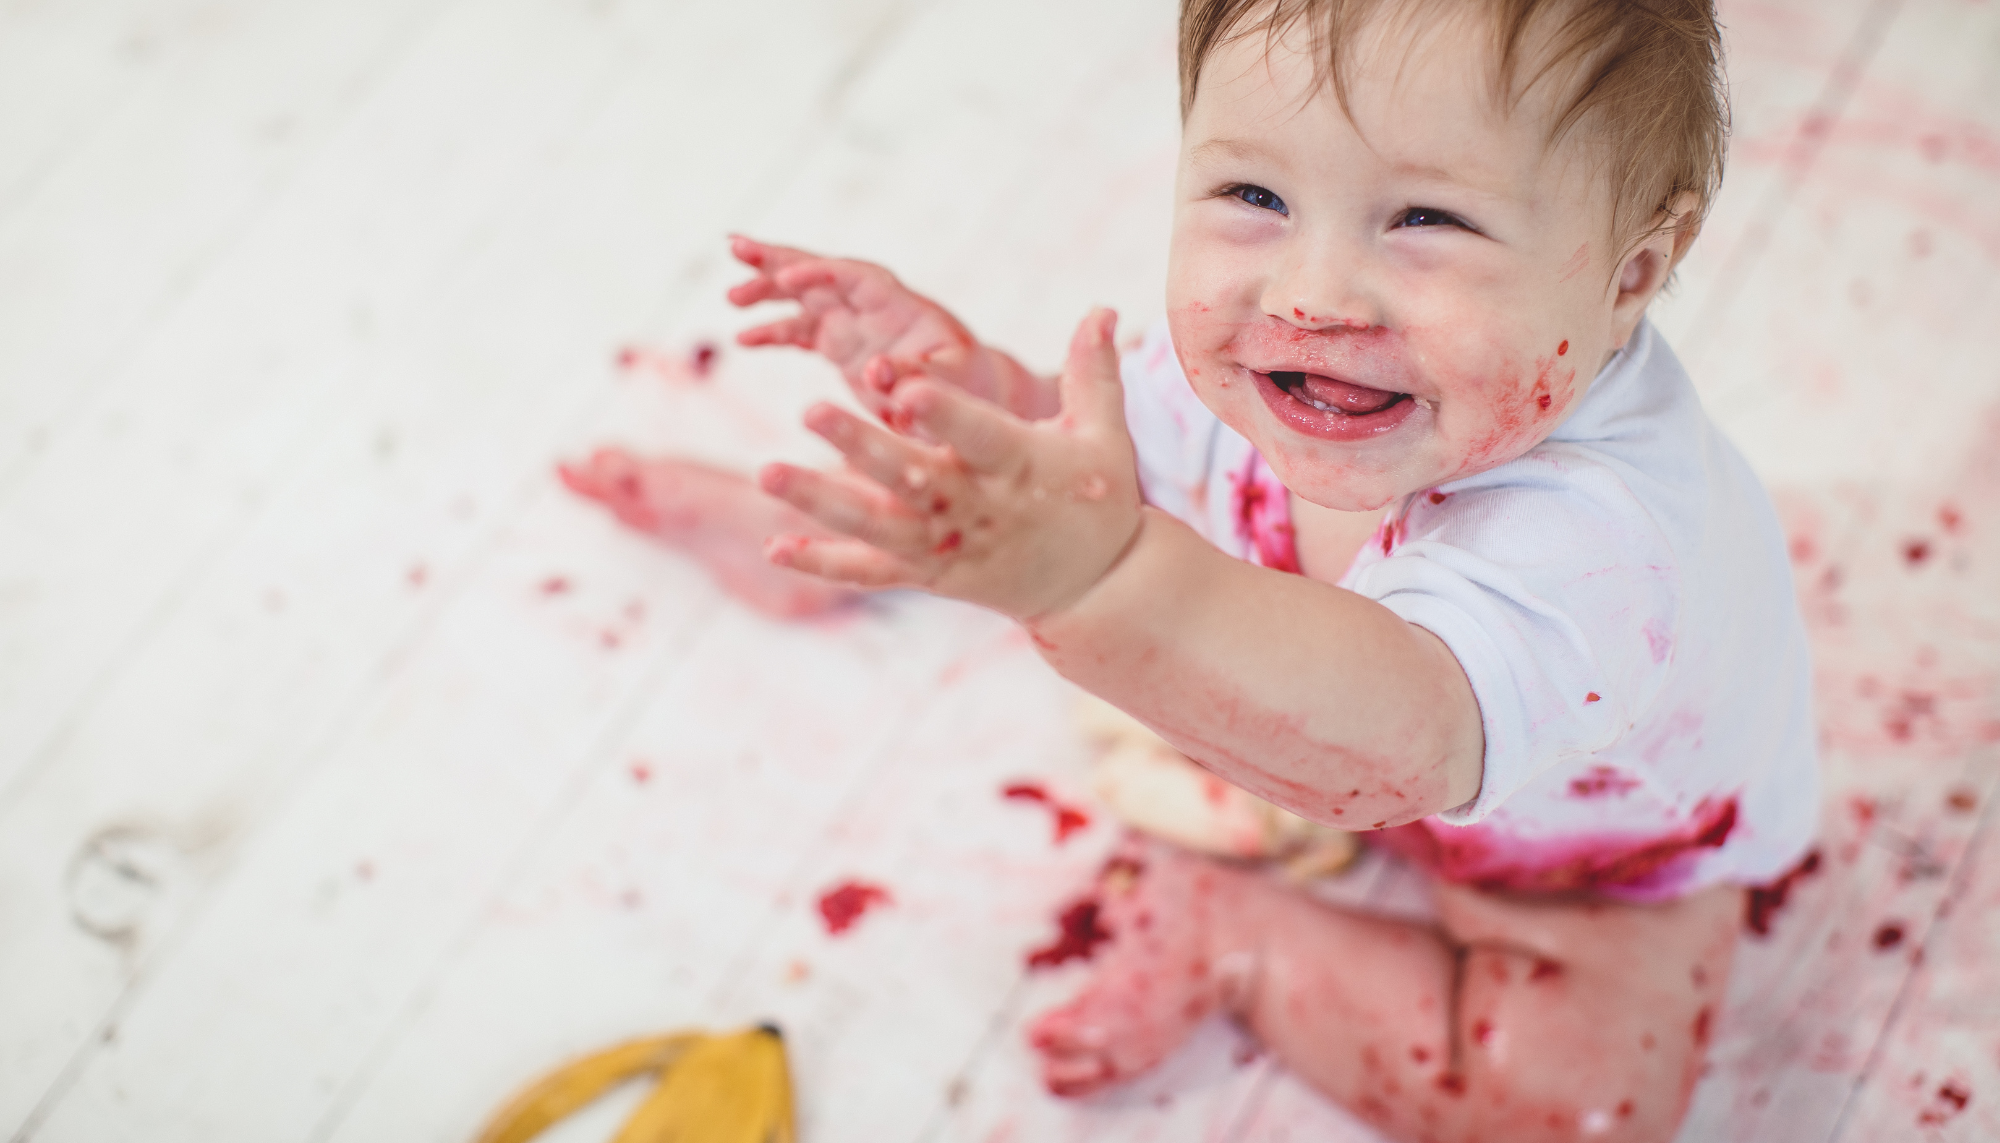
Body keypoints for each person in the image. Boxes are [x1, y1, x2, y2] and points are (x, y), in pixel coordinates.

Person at [566, 1, 1819, 1138]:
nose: (1312, 291)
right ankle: (825, 542)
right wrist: (977, 400)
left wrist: (1093, 582)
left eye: (1426, 219)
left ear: (1630, 273)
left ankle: (1243, 944)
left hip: (1581, 871)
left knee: (1568, 1106)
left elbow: (1392, 743)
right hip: (1280, 685)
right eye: (1253, 197)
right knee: (1044, 505)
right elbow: (1119, 464)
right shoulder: (1307, 375)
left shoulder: (1601, 542)